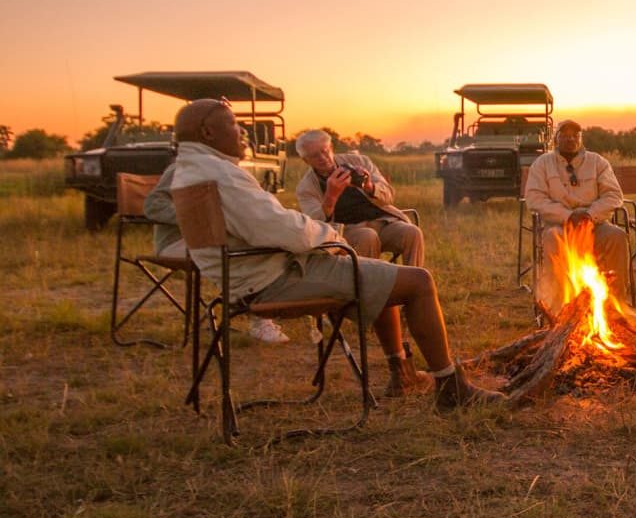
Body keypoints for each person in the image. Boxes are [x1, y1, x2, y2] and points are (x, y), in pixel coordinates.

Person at [170, 98, 502, 409]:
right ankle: (451, 389)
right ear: (207, 132)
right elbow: (287, 230)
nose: (242, 130)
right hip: (276, 278)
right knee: (417, 281)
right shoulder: (222, 174)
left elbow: (382, 195)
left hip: (249, 276)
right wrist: (330, 232)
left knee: (381, 276)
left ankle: (402, 374)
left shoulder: (192, 170)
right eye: (232, 123)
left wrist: (366, 186)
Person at [293, 129, 431, 396]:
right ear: (306, 161)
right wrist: (331, 196)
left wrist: (367, 186)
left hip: (382, 220)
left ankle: (410, 297)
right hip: (348, 230)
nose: (322, 159)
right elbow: (316, 225)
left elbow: (388, 195)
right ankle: (377, 299)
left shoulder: (360, 162)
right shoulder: (306, 186)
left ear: (331, 147)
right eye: (314, 156)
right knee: (366, 236)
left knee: (412, 232)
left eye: (325, 151)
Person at [145, 163, 290, 345]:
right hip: (176, 242)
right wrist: (197, 217)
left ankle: (264, 307)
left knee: (266, 245)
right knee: (241, 253)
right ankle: (259, 319)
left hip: (210, 240)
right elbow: (153, 206)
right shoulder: (185, 168)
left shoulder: (231, 172)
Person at [523, 119, 629, 315]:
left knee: (617, 236)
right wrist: (568, 216)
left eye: (575, 135)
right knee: (552, 238)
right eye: (565, 135)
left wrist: (590, 214)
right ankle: (560, 307)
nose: (570, 138)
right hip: (559, 226)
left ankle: (615, 305)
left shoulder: (597, 162)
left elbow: (614, 195)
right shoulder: (543, 164)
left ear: (581, 139)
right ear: (556, 138)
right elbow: (534, 199)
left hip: (595, 225)